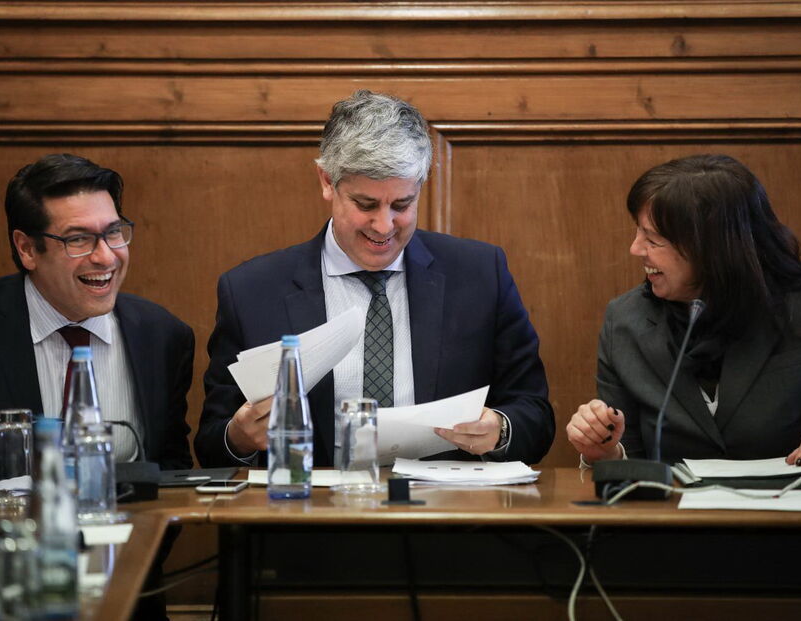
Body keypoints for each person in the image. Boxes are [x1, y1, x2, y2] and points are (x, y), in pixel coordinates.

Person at [196, 90, 554, 468]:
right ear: (326, 181)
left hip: (447, 514)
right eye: (365, 204)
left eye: (402, 205)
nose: (384, 226)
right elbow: (212, 445)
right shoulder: (252, 290)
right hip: (310, 518)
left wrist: (499, 429)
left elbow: (534, 415)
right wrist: (239, 436)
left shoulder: (481, 274)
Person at [0, 153, 194, 475]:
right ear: (27, 249)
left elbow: (173, 474)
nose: (105, 257)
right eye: (78, 239)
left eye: (114, 232)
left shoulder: (163, 337)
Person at [567, 154, 801, 467]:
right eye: (638, 232)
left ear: (714, 247)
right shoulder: (626, 320)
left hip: (793, 508)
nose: (635, 249)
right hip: (670, 512)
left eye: (653, 239)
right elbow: (630, 458)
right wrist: (604, 451)